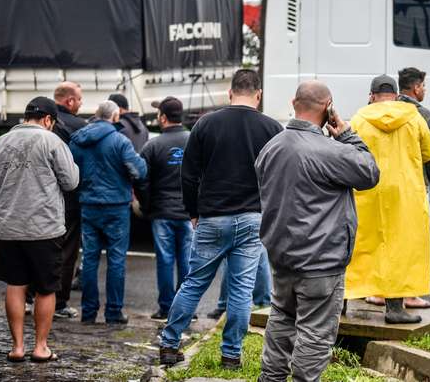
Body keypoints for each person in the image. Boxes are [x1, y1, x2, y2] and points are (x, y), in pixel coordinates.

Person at [256, 80, 379, 382]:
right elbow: (369, 172)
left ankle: (270, 378)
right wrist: (348, 134)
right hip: (320, 261)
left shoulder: (271, 147)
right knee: (315, 333)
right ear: (328, 108)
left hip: (282, 257)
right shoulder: (329, 150)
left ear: (293, 103)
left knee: (281, 320)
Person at [159, 69, 283, 369]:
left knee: (194, 283)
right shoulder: (272, 128)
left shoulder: (206, 123)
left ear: (230, 93)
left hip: (212, 217)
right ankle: (231, 355)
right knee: (241, 290)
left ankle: (169, 344)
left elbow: (187, 175)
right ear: (259, 94)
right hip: (253, 218)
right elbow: (279, 177)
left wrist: (193, 212)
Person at [0, 96, 80, 363]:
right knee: (46, 288)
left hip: (8, 228)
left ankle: (17, 347)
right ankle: (40, 347)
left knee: (16, 284)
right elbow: (70, 182)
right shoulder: (52, 141)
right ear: (48, 120)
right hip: (44, 228)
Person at [345, 75, 430, 324]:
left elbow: (347, 153)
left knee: (358, 247)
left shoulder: (359, 119)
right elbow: (429, 151)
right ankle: (395, 309)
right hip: (405, 194)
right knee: (400, 248)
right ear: (396, 95)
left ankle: (341, 304)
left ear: (372, 96)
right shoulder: (413, 117)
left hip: (367, 192)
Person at [70, 100, 148, 324]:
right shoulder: (120, 141)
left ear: (96, 114)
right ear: (115, 117)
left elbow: (68, 171)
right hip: (116, 207)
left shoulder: (78, 140)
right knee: (116, 259)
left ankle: (88, 311)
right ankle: (113, 311)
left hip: (88, 205)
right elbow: (139, 171)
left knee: (90, 259)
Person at [138, 96, 193, 321]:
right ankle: (187, 310)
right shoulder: (194, 141)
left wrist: (146, 205)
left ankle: (165, 308)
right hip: (189, 213)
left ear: (162, 117)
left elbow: (142, 180)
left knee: (165, 260)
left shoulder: (152, 146)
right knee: (188, 261)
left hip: (161, 212)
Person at [51, 81, 88, 319]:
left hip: (42, 196)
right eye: (80, 99)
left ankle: (32, 295)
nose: (81, 104)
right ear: (70, 101)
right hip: (70, 198)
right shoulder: (79, 127)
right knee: (67, 251)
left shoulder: (44, 123)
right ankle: (59, 302)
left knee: (41, 246)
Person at [398, 67, 430, 185]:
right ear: (416, 88)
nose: (425, 90)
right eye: (423, 85)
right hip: (417, 183)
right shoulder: (425, 115)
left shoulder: (388, 112)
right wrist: (427, 177)